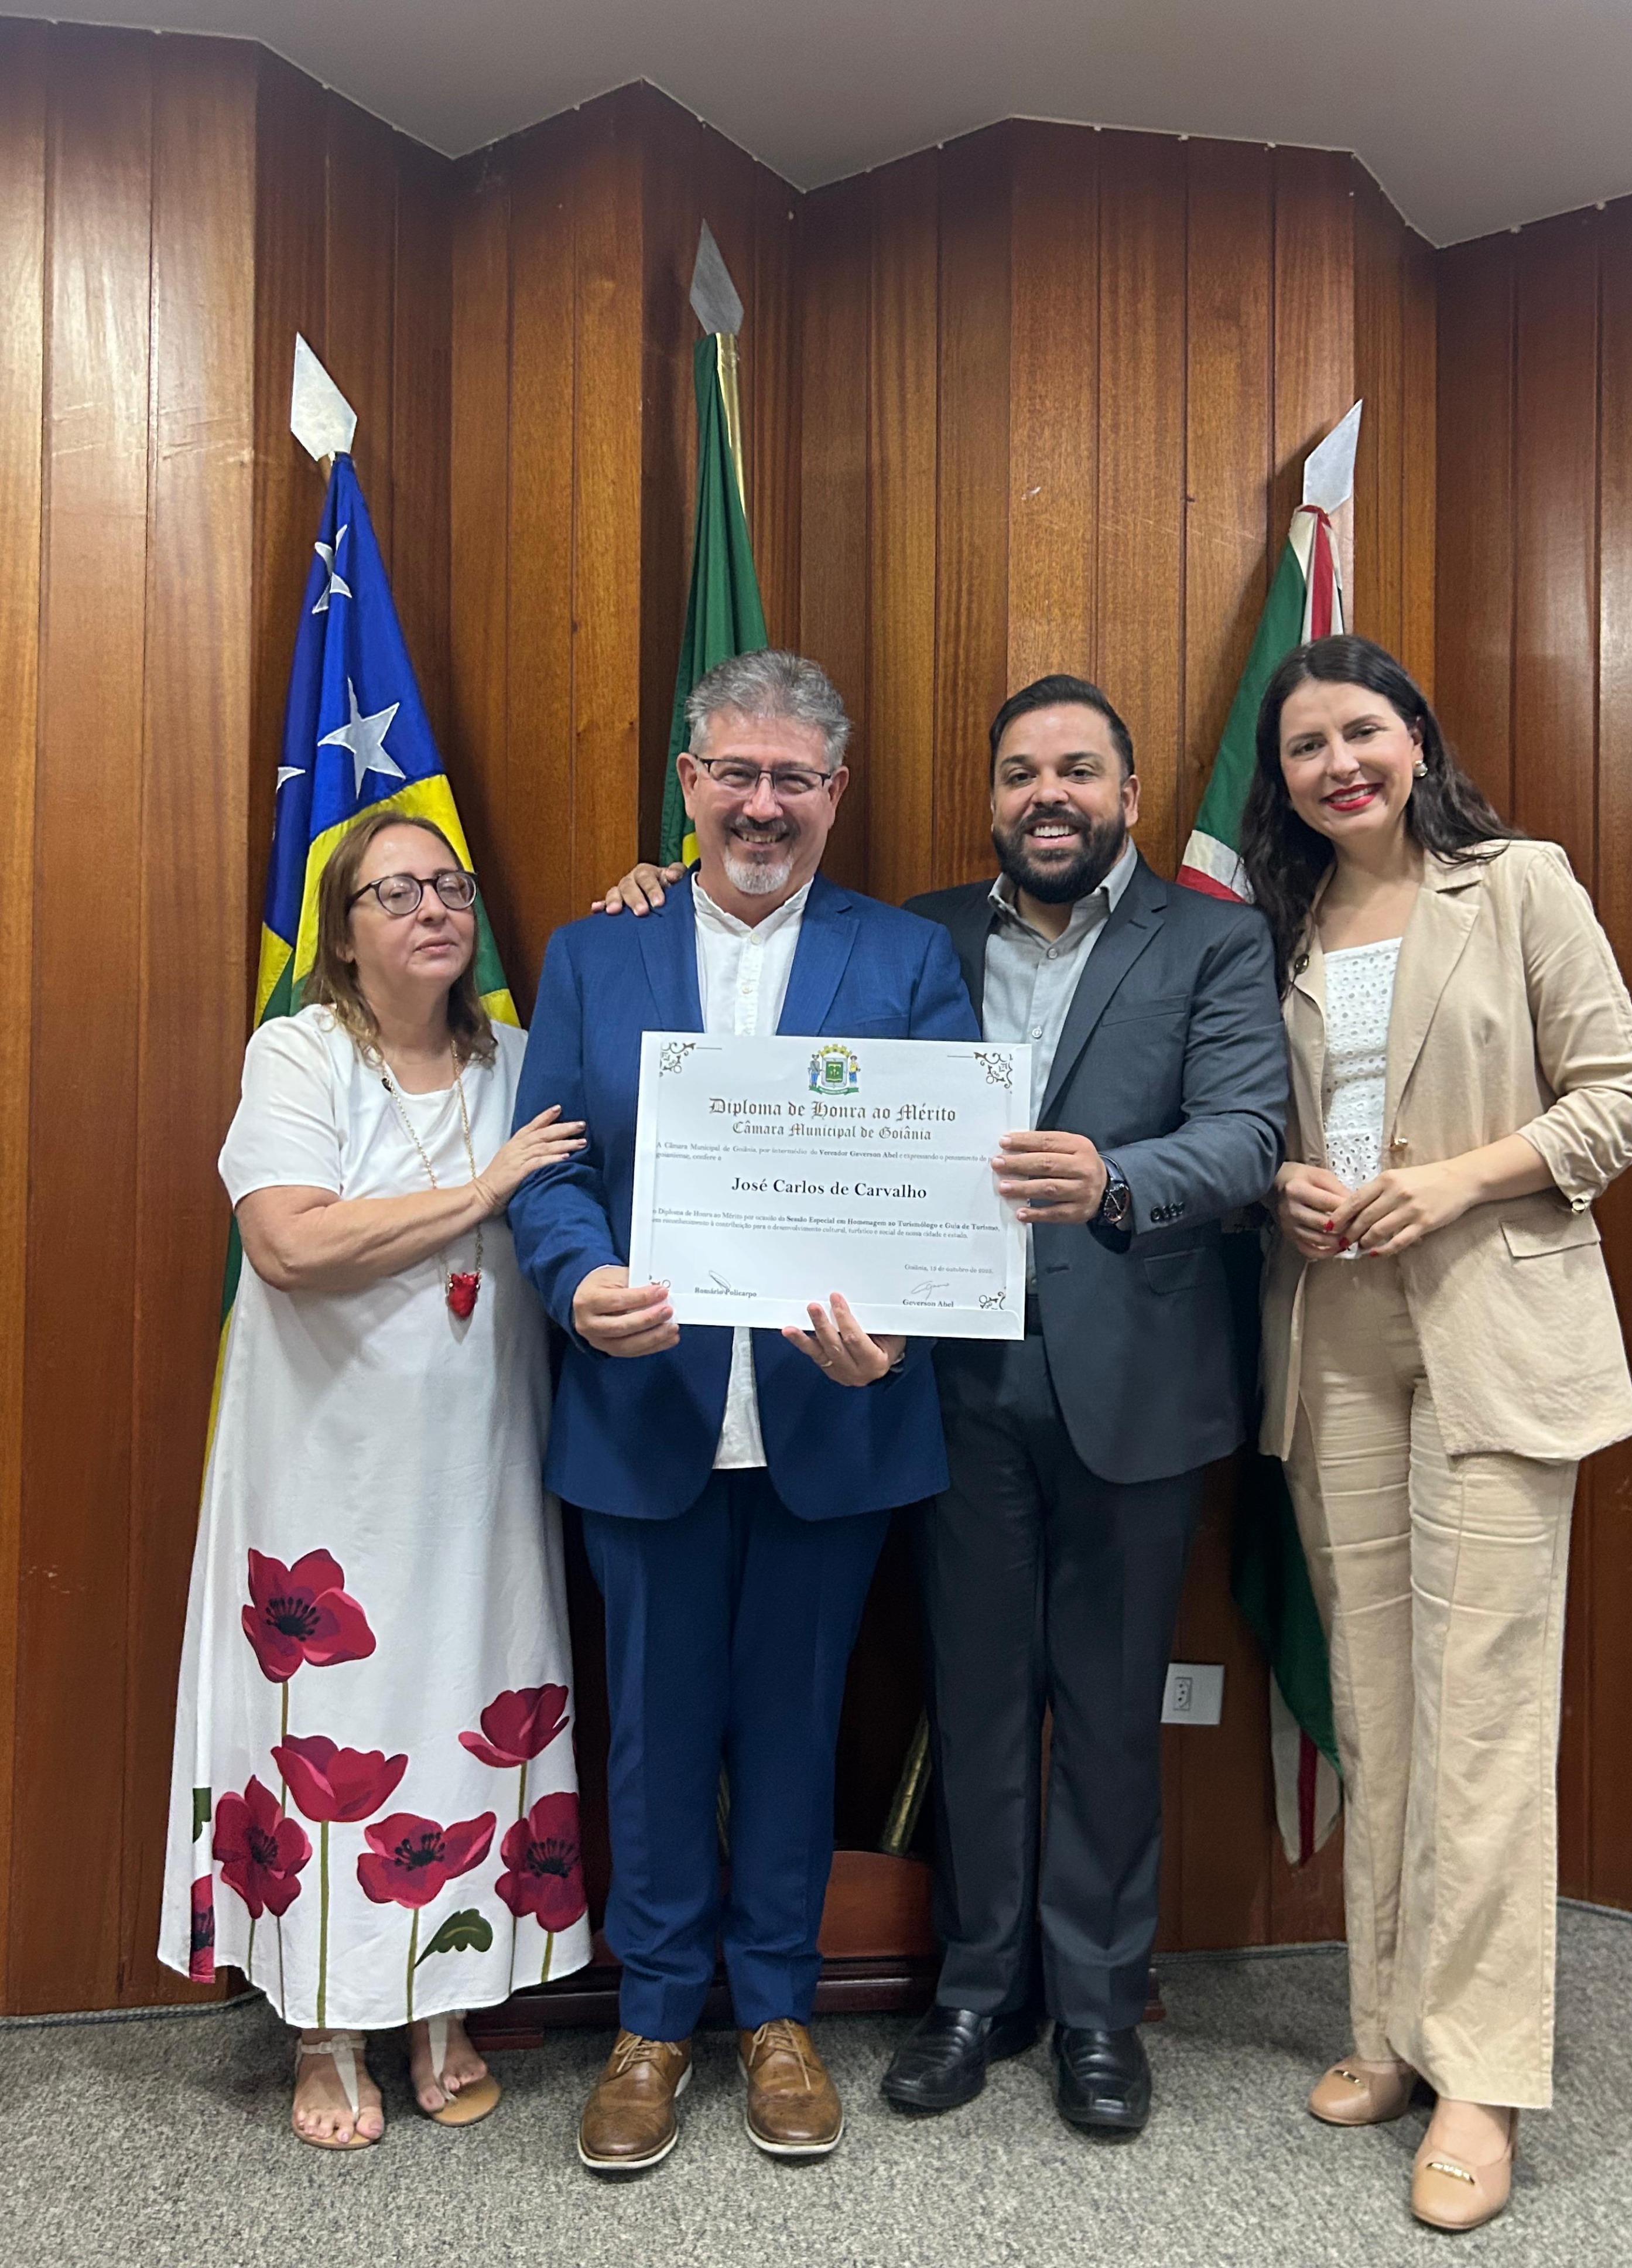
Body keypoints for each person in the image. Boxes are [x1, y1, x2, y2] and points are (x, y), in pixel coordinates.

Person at [597, 672, 1290, 2140]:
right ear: (991, 799)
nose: (1051, 796)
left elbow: (1248, 1135)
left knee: (1109, 1714)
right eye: (1023, 771)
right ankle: (979, 1993)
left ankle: (1097, 2009)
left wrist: (1116, 1179)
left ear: (1129, 796)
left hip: (1134, 1380)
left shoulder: (1215, 938)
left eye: (1080, 771)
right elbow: (775, 1047)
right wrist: (659, 883)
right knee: (972, 1704)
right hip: (946, 1381)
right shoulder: (921, 936)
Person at [509, 649, 978, 2174]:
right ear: (688, 784)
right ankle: (653, 2021)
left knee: (795, 1724)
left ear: (835, 793)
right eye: (735, 772)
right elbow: (552, 1166)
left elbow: (946, 1183)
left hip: (830, 1419)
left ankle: (777, 2010)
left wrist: (897, 1332)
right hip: (646, 1405)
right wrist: (577, 1279)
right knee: (652, 1735)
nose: (762, 804)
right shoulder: (597, 954)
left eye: (792, 777)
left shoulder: (907, 959)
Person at [1247, 635, 1632, 2232]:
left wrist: (1460, 1181)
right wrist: (1289, 1184)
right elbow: (1276, 1124)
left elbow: (1621, 1097)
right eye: (1306, 747)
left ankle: (1482, 2077)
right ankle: (1391, 2031)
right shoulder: (1283, 922)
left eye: (1362, 731)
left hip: (1495, 1322)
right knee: (1377, 1696)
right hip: (1337, 1331)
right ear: (1283, 780)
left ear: (1416, 739)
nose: (1338, 764)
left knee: (1481, 1705)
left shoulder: (1521, 882)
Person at [162, 811, 593, 2150]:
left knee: (467, 1695)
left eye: (449, 885)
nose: (433, 908)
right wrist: (489, 1186)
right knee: (332, 1721)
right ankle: (325, 2025)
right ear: (342, 937)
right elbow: (289, 1246)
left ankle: (443, 2003)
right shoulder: (299, 1053)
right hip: (323, 1474)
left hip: (477, 1464)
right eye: (394, 893)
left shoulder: (519, 1058)